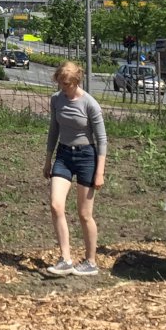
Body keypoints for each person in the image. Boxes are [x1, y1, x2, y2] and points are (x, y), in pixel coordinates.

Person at [42, 60, 108, 277]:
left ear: (76, 81)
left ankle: (90, 261)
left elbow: (101, 139)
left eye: (67, 84)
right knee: (55, 205)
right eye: (60, 83)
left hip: (86, 157)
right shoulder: (56, 100)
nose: (63, 88)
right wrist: (48, 159)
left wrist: (100, 171)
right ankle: (65, 258)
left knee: (84, 214)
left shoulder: (90, 104)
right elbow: (54, 129)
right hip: (63, 155)